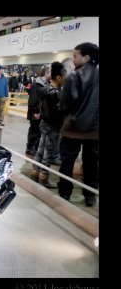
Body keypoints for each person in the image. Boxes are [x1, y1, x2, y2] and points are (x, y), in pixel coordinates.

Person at [57, 42, 99, 207]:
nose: (73, 60)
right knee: (91, 163)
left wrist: (68, 116)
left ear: (86, 57)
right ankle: (90, 195)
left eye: (75, 56)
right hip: (95, 131)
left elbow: (65, 104)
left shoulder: (74, 76)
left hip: (72, 129)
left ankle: (65, 192)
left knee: (67, 162)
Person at [31, 62, 66, 188]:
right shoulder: (56, 93)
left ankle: (35, 171)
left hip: (44, 123)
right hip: (53, 126)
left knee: (40, 150)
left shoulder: (45, 89)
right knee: (48, 153)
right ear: (58, 77)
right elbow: (59, 113)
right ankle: (44, 177)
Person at [26, 65, 51, 156]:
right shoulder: (36, 84)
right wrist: (35, 112)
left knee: (39, 131)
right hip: (35, 112)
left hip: (41, 112)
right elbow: (32, 100)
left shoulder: (46, 84)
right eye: (51, 72)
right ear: (46, 73)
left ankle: (35, 148)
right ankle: (30, 148)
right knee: (34, 130)